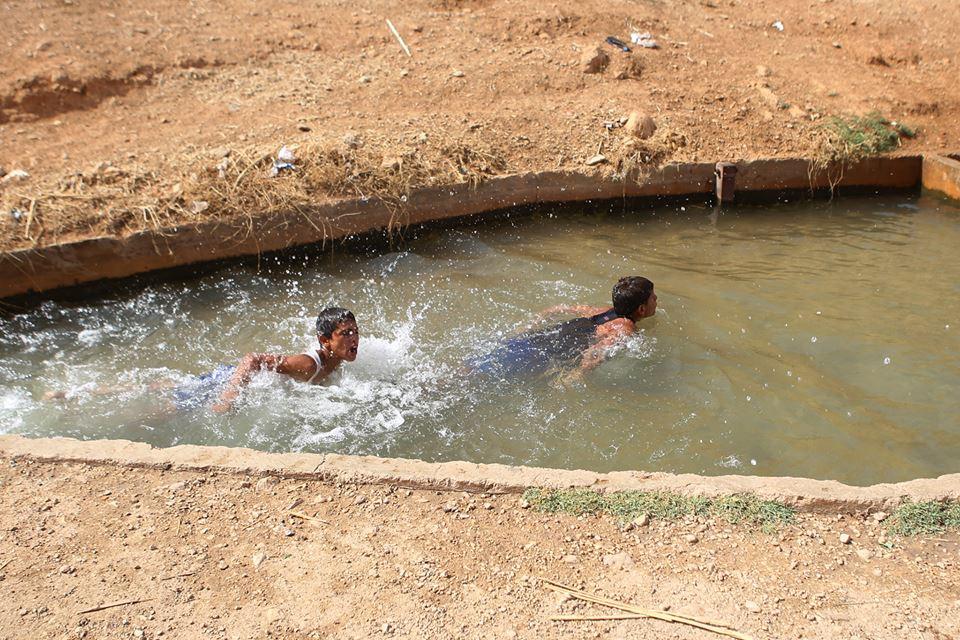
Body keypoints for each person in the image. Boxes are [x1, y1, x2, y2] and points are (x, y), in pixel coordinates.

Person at [468, 276, 657, 381]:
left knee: (474, 367)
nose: (656, 301)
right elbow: (595, 353)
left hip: (539, 337)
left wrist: (528, 326)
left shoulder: (603, 311)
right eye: (653, 298)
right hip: (546, 353)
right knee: (486, 377)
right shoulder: (626, 328)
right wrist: (576, 376)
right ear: (641, 309)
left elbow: (557, 309)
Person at [211, 307, 360, 412]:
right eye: (346, 333)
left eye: (355, 331)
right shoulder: (309, 365)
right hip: (221, 379)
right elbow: (252, 359)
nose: (354, 338)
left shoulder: (338, 358)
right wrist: (228, 398)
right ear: (325, 340)